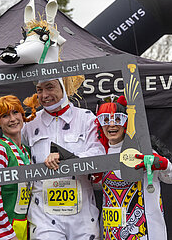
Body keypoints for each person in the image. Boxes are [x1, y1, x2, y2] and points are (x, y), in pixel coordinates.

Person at [22, 78, 106, 240]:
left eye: (50, 87)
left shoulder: (86, 118)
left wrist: (67, 157)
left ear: (63, 87)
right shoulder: (30, 123)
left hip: (82, 214)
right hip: (43, 215)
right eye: (39, 90)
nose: (44, 95)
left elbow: (99, 153)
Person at [95, 94, 172, 240]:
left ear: (127, 122)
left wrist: (164, 164)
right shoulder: (99, 152)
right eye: (106, 120)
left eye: (118, 119)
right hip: (111, 232)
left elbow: (171, 178)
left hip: (145, 232)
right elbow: (99, 187)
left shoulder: (143, 151)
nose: (112, 125)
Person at [0, 95, 39, 240]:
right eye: (5, 116)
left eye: (15, 112)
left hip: (20, 229)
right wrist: (7, 236)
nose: (12, 119)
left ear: (22, 115)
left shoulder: (26, 152)